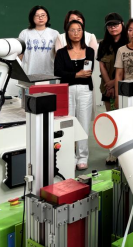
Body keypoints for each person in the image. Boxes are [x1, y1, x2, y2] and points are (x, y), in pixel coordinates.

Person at [54, 19, 94, 170]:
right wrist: (77, 74)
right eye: (72, 30)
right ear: (67, 33)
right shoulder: (61, 52)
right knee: (67, 123)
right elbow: (58, 72)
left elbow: (88, 73)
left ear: (83, 32)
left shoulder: (89, 51)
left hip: (85, 90)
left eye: (79, 30)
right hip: (67, 90)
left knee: (83, 123)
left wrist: (71, 74)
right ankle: (68, 157)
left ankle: (82, 157)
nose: (76, 33)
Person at [97, 12, 128, 165]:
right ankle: (113, 151)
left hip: (124, 88)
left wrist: (115, 83)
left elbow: (126, 67)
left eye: (115, 24)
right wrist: (109, 83)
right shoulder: (103, 44)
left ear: (122, 24)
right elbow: (101, 65)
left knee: (125, 120)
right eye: (109, 25)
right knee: (112, 120)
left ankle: (126, 152)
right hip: (107, 88)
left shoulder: (128, 42)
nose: (113, 27)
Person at [18, 5, 60, 76]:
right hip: (28, 74)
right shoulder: (25, 33)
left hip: (49, 74)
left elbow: (58, 55)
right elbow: (20, 55)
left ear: (47, 16)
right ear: (32, 17)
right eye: (37, 15)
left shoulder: (54, 33)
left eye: (43, 15)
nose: (40, 18)